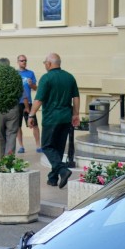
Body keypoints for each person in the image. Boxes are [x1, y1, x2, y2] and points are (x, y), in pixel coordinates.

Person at [29, 52, 80, 187]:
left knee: (46, 146)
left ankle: (63, 170)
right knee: (57, 149)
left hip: (51, 118)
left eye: (45, 63)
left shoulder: (46, 78)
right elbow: (76, 97)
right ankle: (52, 178)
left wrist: (31, 115)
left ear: (49, 64)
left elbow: (39, 99)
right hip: (66, 118)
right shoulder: (69, 77)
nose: (45, 65)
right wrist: (76, 114)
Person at [14, 54, 39, 153]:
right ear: (18, 62)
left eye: (25, 60)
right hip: (17, 103)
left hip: (29, 102)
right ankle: (21, 146)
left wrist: (31, 84)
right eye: (21, 60)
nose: (23, 62)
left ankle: (38, 145)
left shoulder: (30, 73)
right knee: (18, 126)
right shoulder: (14, 74)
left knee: (35, 124)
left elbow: (35, 88)